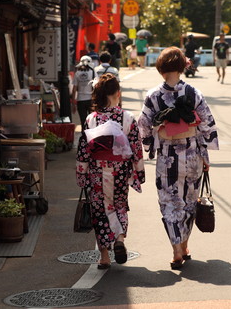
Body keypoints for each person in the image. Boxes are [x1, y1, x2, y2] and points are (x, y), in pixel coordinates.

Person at [137, 47, 219, 270]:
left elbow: (143, 126)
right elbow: (206, 124)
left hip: (167, 158)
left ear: (161, 69)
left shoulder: (153, 96)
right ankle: (184, 245)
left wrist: (150, 145)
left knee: (170, 202)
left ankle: (176, 249)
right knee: (189, 202)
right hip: (192, 154)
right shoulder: (193, 93)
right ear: (183, 66)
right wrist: (205, 155)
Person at [75, 73, 145, 269]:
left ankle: (104, 256)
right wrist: (139, 172)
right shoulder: (128, 118)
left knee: (99, 210)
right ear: (118, 93)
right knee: (119, 205)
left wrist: (81, 173)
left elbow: (84, 150)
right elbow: (136, 148)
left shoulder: (91, 119)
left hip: (97, 170)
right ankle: (120, 239)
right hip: (120, 171)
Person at [71, 55, 96, 128]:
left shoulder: (77, 73)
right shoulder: (93, 72)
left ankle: (84, 136)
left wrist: (73, 103)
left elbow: (74, 89)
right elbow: (96, 87)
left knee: (83, 121)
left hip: (80, 100)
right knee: (92, 121)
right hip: (91, 100)